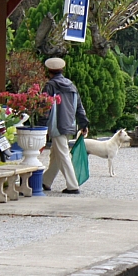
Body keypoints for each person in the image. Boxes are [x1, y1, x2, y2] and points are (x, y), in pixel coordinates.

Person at [41, 57, 89, 193]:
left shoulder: (50, 86)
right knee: (56, 155)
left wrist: (41, 126)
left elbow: (45, 108)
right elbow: (79, 107)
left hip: (56, 124)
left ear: (49, 71)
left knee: (62, 154)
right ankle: (46, 181)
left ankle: (73, 186)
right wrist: (84, 123)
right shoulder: (71, 85)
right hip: (69, 123)